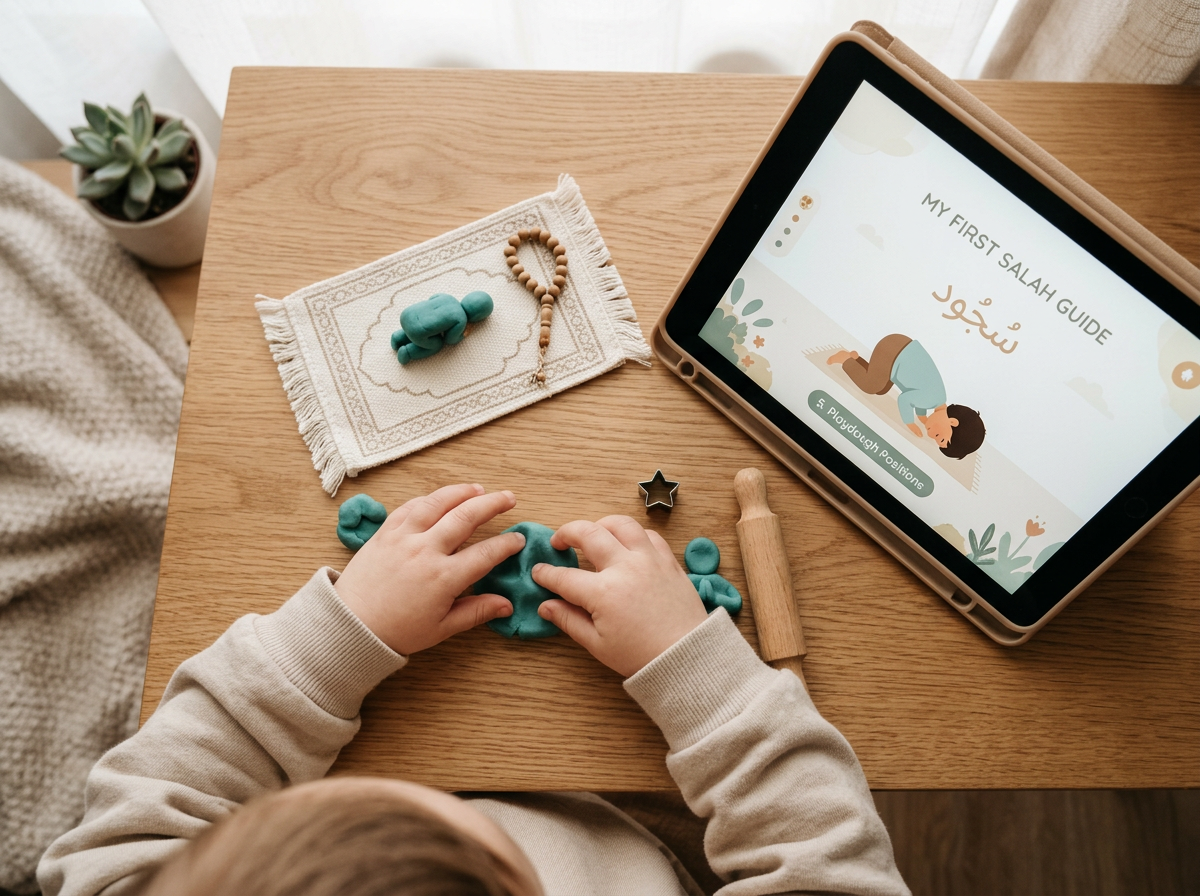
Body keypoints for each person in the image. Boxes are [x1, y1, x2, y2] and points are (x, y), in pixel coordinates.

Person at [38, 483, 910, 896]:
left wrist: (339, 638)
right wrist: (698, 671)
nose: (468, 802)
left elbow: (149, 806)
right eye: (484, 836)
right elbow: (832, 870)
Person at [829, 334, 985, 459]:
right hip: (894, 351)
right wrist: (910, 423)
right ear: (952, 421)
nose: (931, 435)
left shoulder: (937, 398)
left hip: (898, 347)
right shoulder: (931, 398)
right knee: (872, 386)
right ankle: (844, 359)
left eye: (935, 440)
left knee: (881, 389)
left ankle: (856, 360)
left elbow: (919, 397)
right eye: (939, 436)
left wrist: (922, 417)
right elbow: (904, 399)